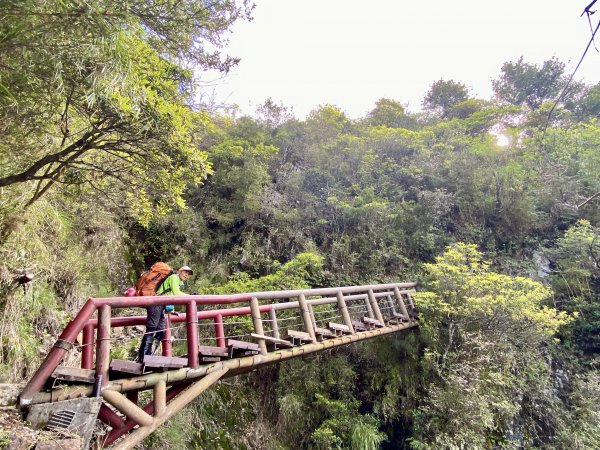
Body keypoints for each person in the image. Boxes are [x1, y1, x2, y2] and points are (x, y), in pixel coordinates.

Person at [136, 266, 194, 362]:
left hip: (161, 305)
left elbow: (169, 294)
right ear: (179, 271)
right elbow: (176, 293)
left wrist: (171, 310)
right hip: (156, 304)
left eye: (188, 274)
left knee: (160, 330)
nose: (186, 275)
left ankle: (150, 356)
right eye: (185, 272)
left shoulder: (178, 282)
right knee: (152, 328)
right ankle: (143, 357)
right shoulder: (174, 278)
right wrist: (190, 296)